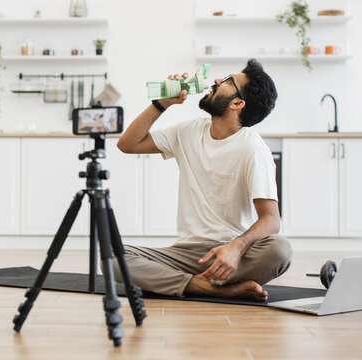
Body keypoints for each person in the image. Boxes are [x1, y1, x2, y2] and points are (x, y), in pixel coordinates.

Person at [114, 59, 292, 302]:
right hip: (186, 254)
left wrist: (236, 248)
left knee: (280, 249)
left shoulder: (252, 148)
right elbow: (127, 144)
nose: (217, 81)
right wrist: (161, 103)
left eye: (228, 82)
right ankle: (212, 288)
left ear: (237, 103)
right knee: (113, 256)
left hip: (233, 255)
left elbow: (271, 220)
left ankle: (182, 283)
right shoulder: (189, 131)